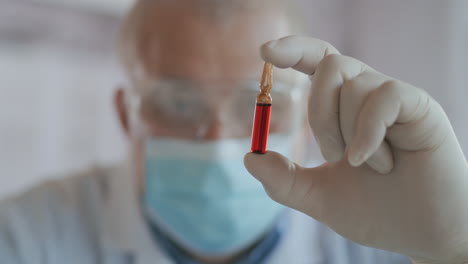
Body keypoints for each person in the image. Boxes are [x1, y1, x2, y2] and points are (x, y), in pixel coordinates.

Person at [1, 1, 467, 264]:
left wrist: (455, 241)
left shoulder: (386, 245)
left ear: (307, 116)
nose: (219, 138)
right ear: (127, 116)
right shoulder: (28, 237)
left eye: (254, 103)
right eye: (178, 104)